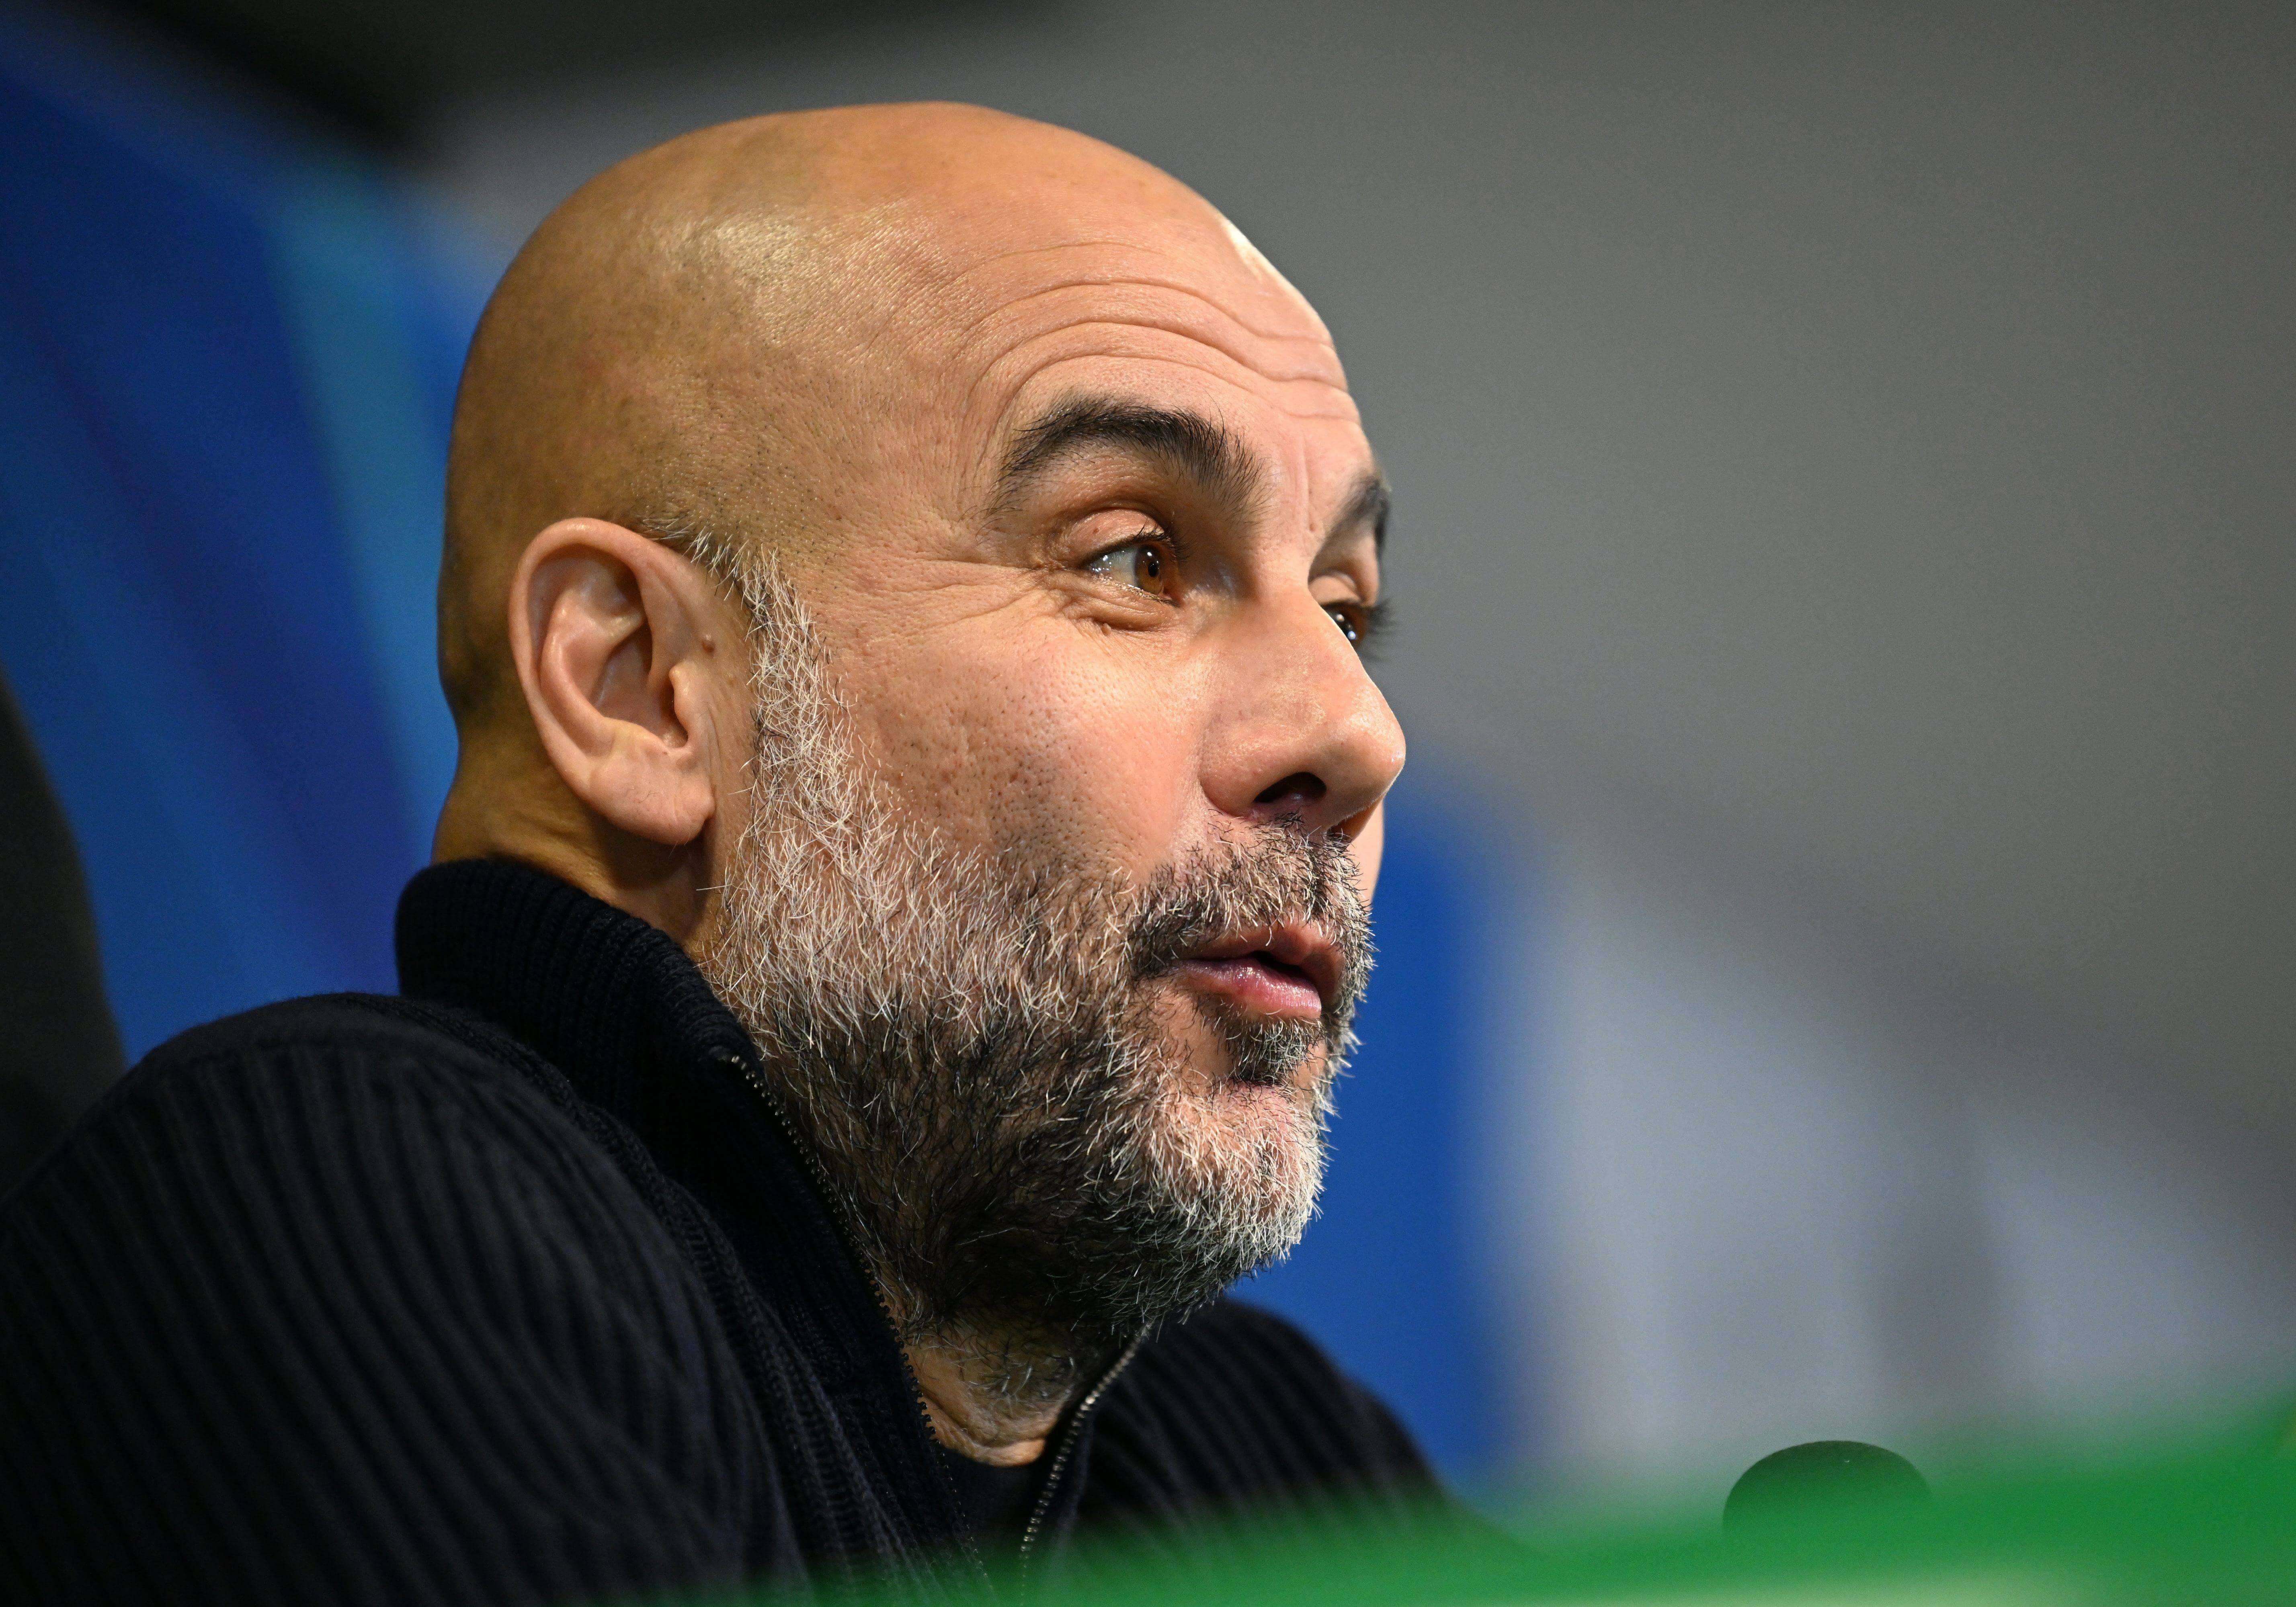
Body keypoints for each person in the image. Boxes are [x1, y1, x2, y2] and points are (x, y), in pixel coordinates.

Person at [0, 103, 1422, 1605]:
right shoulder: (333, 1192)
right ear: (640, 689)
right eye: (1134, 558)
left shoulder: (1279, 1458)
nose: (1357, 731)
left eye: (1343, 607)